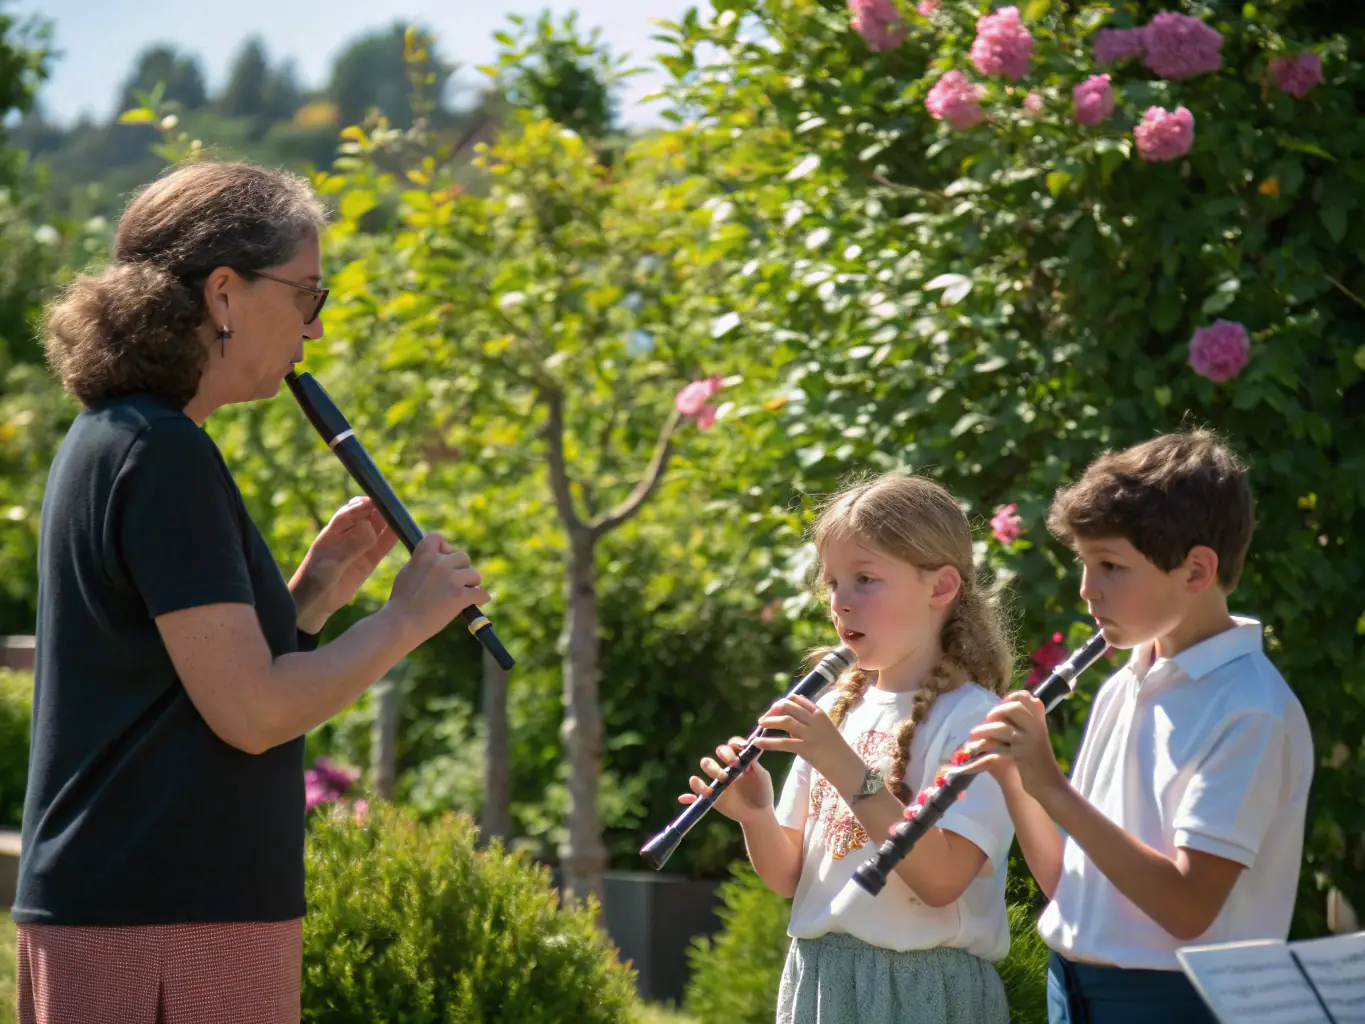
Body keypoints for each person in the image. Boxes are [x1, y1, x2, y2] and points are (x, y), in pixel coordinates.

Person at [12, 161, 491, 1024]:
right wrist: (404, 621)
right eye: (306, 294)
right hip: (167, 913)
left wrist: (309, 600)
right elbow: (253, 712)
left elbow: (170, 685)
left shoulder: (117, 436)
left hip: (140, 903)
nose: (311, 330)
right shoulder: (163, 455)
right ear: (224, 293)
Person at [965, 429, 1314, 1024]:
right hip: (1073, 989)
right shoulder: (1124, 682)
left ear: (1196, 570)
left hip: (1176, 1002)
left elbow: (1185, 907)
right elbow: (1072, 886)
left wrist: (1051, 787)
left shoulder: (1250, 710)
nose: (1086, 589)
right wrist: (1015, 779)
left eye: (1111, 566)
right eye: (1084, 563)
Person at [683, 471, 1017, 1024]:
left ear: (940, 589)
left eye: (865, 579)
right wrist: (757, 815)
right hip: (822, 979)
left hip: (921, 987)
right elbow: (792, 880)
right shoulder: (840, 706)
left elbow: (940, 881)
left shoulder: (977, 718)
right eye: (833, 582)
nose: (840, 602)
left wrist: (842, 764)